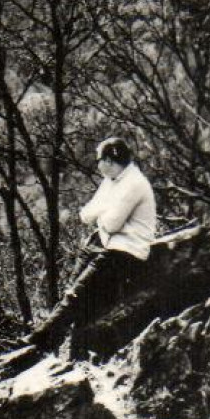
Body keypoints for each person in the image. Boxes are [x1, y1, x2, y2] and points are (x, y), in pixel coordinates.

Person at [66, 136, 158, 359]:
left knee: (82, 295)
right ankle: (73, 351)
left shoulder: (133, 183)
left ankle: (64, 347)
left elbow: (110, 223)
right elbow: (85, 214)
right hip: (107, 244)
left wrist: (103, 213)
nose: (97, 165)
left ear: (109, 160)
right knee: (75, 291)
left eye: (100, 160)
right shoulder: (111, 182)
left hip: (124, 252)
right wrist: (106, 211)